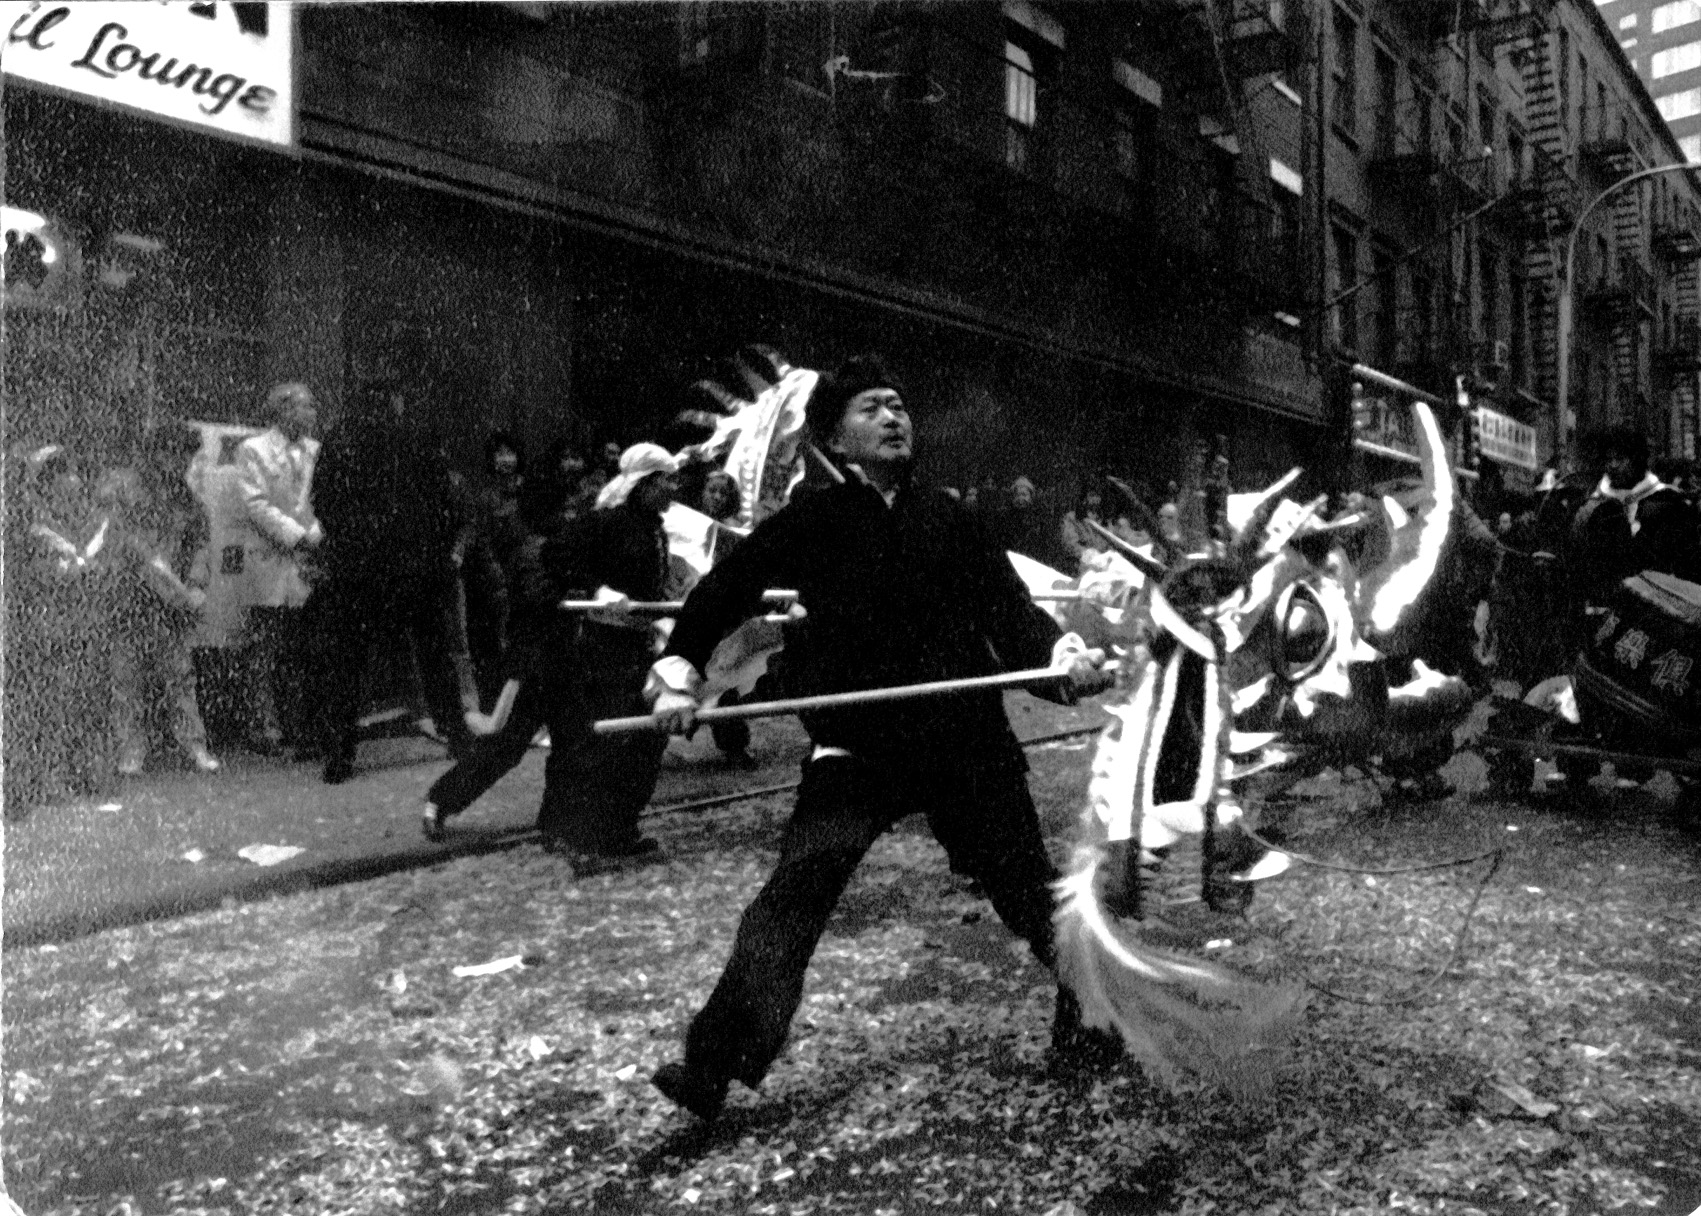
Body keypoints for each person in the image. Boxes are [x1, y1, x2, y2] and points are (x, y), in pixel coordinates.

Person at [644, 354, 1111, 1122]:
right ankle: (711, 1068)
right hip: (858, 749)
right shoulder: (811, 522)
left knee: (1029, 893)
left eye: (899, 405)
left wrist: (1060, 663)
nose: (894, 417)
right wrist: (678, 669)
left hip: (964, 745)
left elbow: (1008, 613)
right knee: (790, 900)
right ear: (834, 435)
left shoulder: (950, 518)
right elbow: (724, 588)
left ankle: (1093, 1011)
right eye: (871, 408)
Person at [424, 444, 676, 864]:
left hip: (575, 657)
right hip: (539, 656)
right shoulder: (552, 543)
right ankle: (440, 801)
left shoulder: (633, 532)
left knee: (574, 744)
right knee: (508, 742)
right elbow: (533, 593)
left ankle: (561, 827)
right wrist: (595, 595)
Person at [312, 379, 473, 784]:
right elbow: (442, 500)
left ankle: (339, 754)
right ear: (395, 402)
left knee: (346, 662)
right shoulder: (415, 437)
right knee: (433, 655)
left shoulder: (339, 440)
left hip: (358, 569)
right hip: (412, 566)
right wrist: (433, 550)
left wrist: (350, 542)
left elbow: (323, 500)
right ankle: (456, 735)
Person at [108, 426, 221, 776]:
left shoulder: (187, 500)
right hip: (132, 597)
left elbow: (200, 546)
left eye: (185, 457)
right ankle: (131, 748)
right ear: (156, 454)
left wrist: (197, 586)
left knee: (179, 677)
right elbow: (132, 546)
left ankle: (193, 744)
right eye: (173, 454)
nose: (180, 463)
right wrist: (177, 589)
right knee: (127, 679)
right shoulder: (127, 491)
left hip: (171, 606)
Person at [231, 381, 322, 754]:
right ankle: (263, 726)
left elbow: (324, 498)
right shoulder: (252, 450)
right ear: (283, 410)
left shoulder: (318, 451)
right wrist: (296, 535)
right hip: (268, 560)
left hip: (308, 559)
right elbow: (256, 504)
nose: (313, 414)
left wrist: (314, 536)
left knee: (303, 649)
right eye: (306, 406)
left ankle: (301, 725)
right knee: (265, 650)